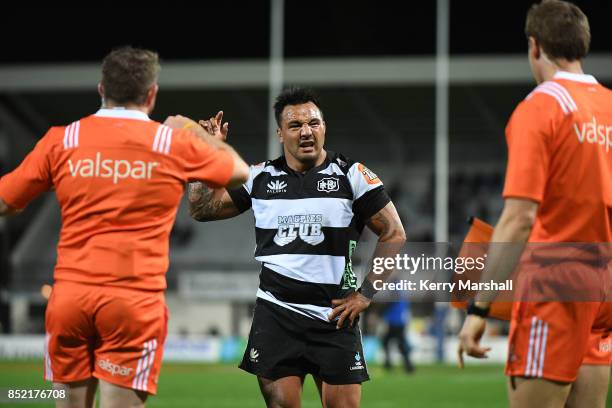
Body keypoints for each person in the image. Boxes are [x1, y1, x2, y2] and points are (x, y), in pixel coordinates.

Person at [0, 46, 249, 408]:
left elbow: (6, 200)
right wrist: (194, 130)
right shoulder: (170, 142)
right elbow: (239, 169)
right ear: (151, 94)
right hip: (132, 303)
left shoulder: (63, 139)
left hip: (69, 299)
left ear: (102, 89)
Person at [188, 86, 406, 408]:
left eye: (313, 123)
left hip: (335, 316)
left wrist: (366, 294)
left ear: (324, 128)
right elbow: (200, 209)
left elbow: (394, 233)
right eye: (295, 125)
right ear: (280, 132)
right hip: (276, 314)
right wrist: (207, 153)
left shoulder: (352, 175)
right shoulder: (258, 177)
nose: (306, 131)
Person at [457, 2, 612, 407]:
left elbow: (520, 217)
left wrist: (479, 309)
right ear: (582, 45)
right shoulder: (609, 106)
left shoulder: (540, 108)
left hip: (556, 284)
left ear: (534, 46)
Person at [380, 298, 414, 373]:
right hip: (400, 321)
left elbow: (388, 305)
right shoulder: (402, 293)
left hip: (394, 322)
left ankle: (407, 366)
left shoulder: (395, 292)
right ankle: (408, 366)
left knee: (388, 342)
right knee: (398, 344)